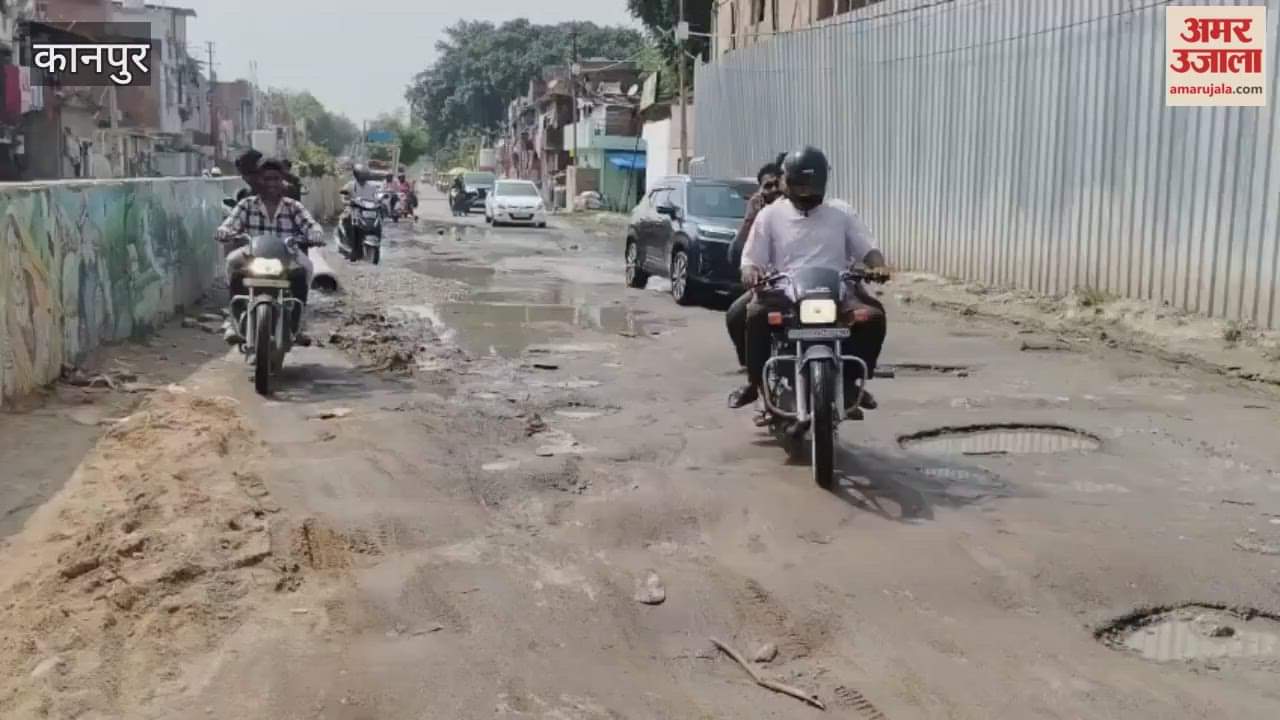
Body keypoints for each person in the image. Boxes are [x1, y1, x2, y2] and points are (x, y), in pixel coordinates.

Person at [729, 146, 889, 415]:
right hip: (784, 290)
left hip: (836, 289)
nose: (806, 194)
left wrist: (878, 266)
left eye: (811, 188)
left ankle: (852, 381)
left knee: (873, 316)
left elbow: (867, 248)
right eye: (799, 187)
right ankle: (756, 382)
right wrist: (750, 271)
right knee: (752, 314)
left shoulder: (841, 213)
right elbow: (750, 257)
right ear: (786, 182)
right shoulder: (770, 215)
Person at [217, 158, 323, 345]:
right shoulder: (247, 204)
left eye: (275, 178)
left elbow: (310, 224)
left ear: (282, 181)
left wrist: (315, 234)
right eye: (267, 179)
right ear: (259, 181)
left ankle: (298, 323)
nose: (271, 183)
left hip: (287, 253)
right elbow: (230, 223)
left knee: (306, 266)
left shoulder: (293, 206)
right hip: (252, 253)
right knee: (231, 262)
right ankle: (233, 319)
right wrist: (224, 231)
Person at [725, 160, 784, 369]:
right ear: (760, 191)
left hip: (806, 284)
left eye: (778, 183)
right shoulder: (759, 216)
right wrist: (750, 218)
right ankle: (751, 368)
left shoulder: (799, 210)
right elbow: (736, 255)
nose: (775, 190)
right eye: (768, 186)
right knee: (735, 315)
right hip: (770, 286)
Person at [340, 164, 380, 260]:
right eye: (361, 175)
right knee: (347, 218)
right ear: (356, 175)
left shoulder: (372, 186)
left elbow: (376, 197)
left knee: (379, 221)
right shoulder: (350, 185)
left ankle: (378, 242)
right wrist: (347, 201)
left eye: (364, 175)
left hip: (368, 210)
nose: (363, 177)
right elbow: (343, 196)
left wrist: (379, 202)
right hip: (354, 209)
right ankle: (352, 247)